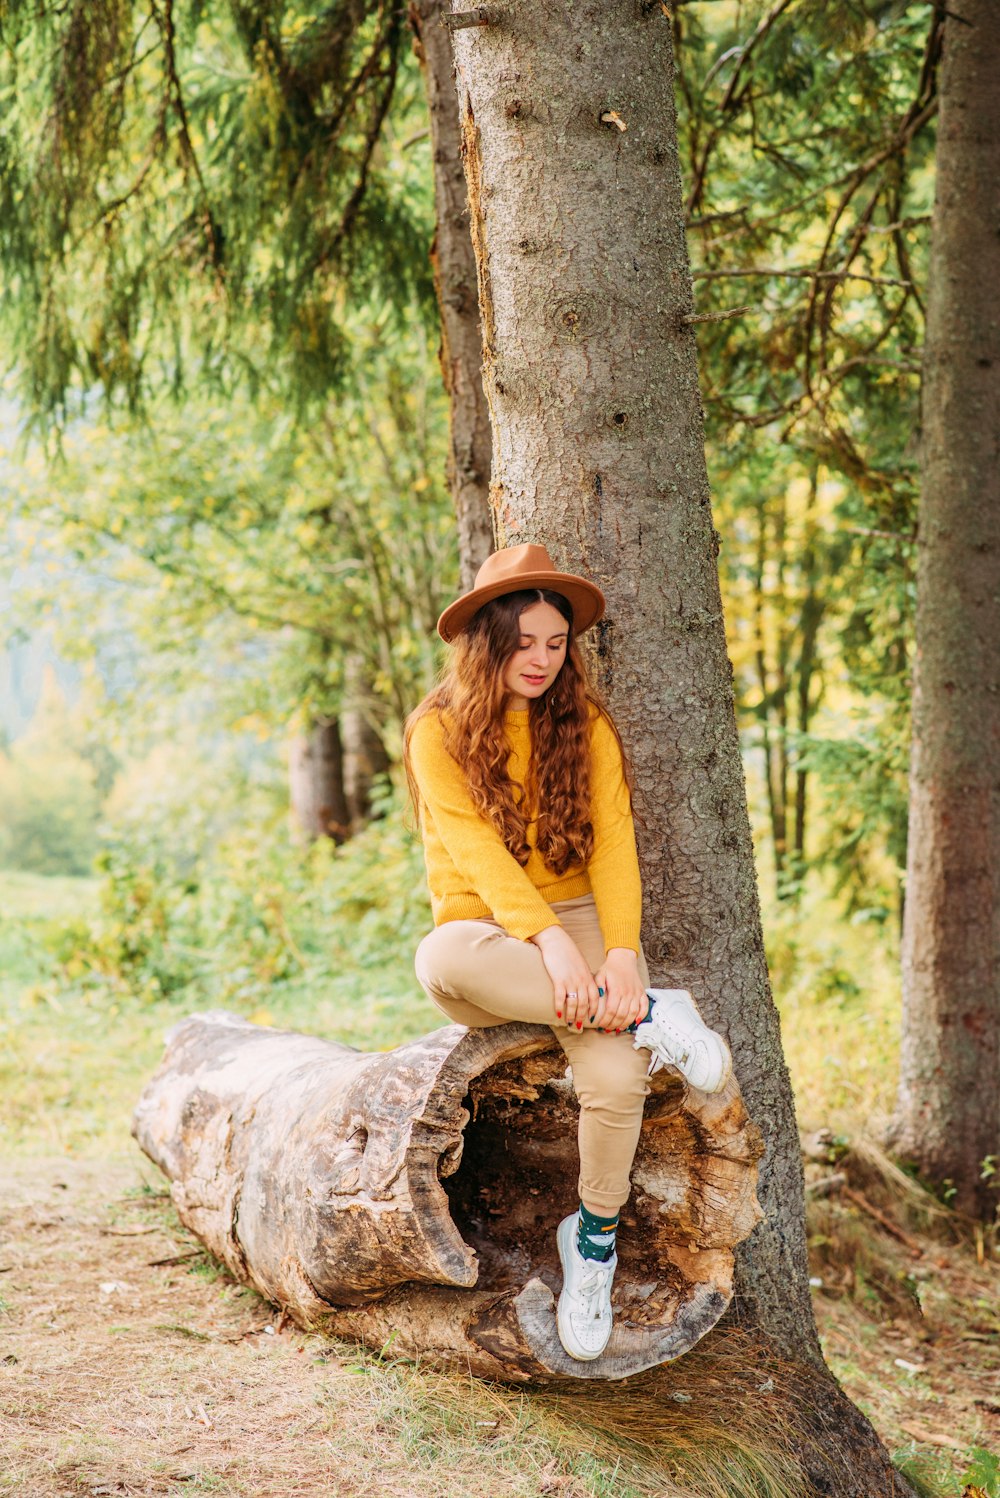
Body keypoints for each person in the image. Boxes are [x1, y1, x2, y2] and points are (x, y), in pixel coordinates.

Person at [403, 542, 732, 1362]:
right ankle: (656, 1016)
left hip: (585, 914)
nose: (542, 660)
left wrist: (617, 954)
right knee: (441, 964)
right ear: (487, 642)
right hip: (488, 928)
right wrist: (550, 947)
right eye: (523, 644)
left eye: (556, 643)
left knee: (617, 1077)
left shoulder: (582, 723)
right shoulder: (436, 734)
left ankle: (591, 1242)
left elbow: (614, 844)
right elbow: (477, 855)